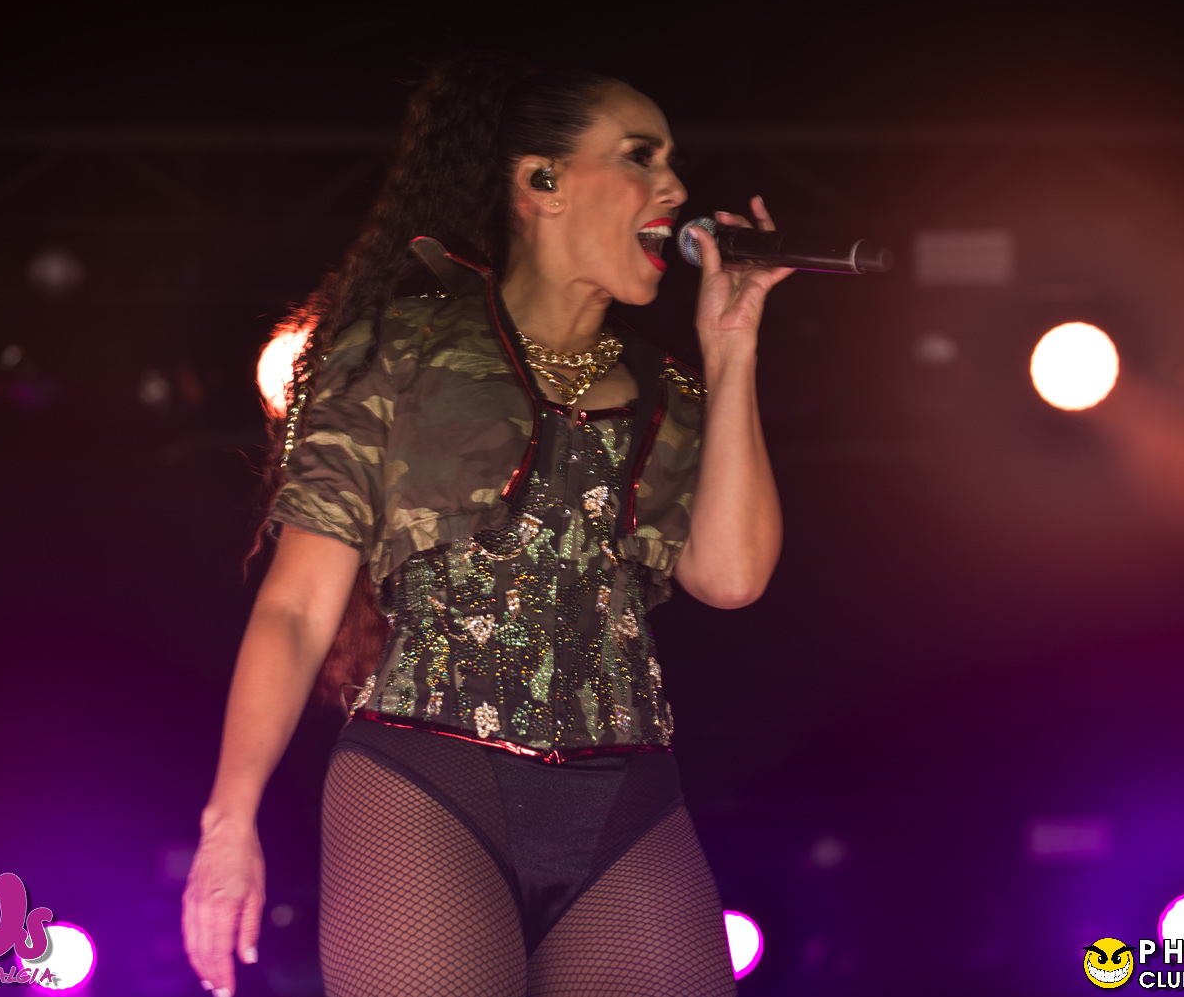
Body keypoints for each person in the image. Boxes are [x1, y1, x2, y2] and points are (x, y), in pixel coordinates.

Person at [181, 54, 790, 997]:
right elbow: (297, 607)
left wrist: (732, 346)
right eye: (641, 156)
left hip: (626, 793)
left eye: (672, 161)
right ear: (542, 182)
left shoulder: (670, 391)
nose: (674, 187)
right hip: (427, 780)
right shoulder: (400, 349)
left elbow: (733, 576)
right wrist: (230, 822)